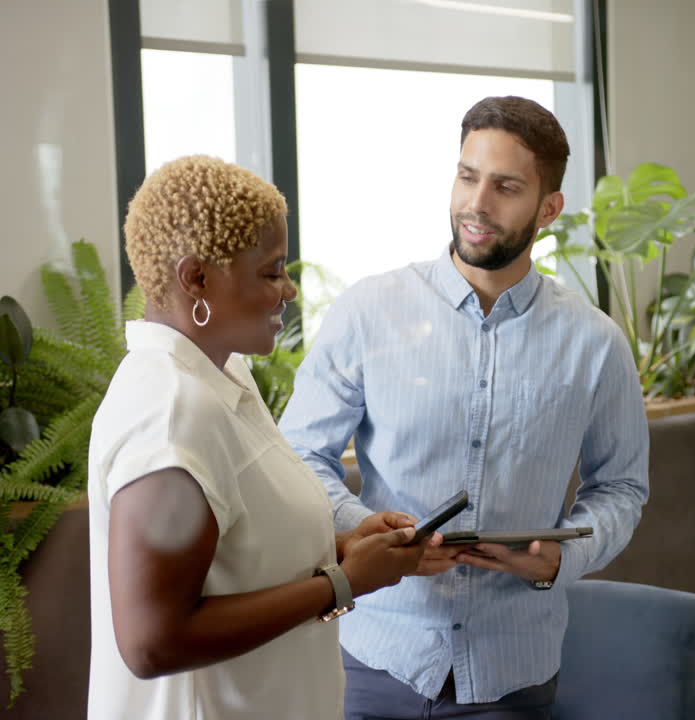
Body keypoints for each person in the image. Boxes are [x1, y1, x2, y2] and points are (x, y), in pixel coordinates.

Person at [279, 96, 650, 719]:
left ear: (549, 209)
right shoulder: (368, 312)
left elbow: (622, 487)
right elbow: (297, 456)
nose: (477, 204)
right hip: (372, 659)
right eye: (467, 176)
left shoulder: (596, 344)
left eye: (506, 186)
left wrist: (566, 557)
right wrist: (369, 530)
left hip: (512, 673)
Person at [87, 155, 443, 720]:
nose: (291, 289)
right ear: (196, 278)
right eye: (272, 271)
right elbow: (153, 640)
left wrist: (345, 548)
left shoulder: (224, 379)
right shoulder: (171, 414)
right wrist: (342, 583)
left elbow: (236, 555)